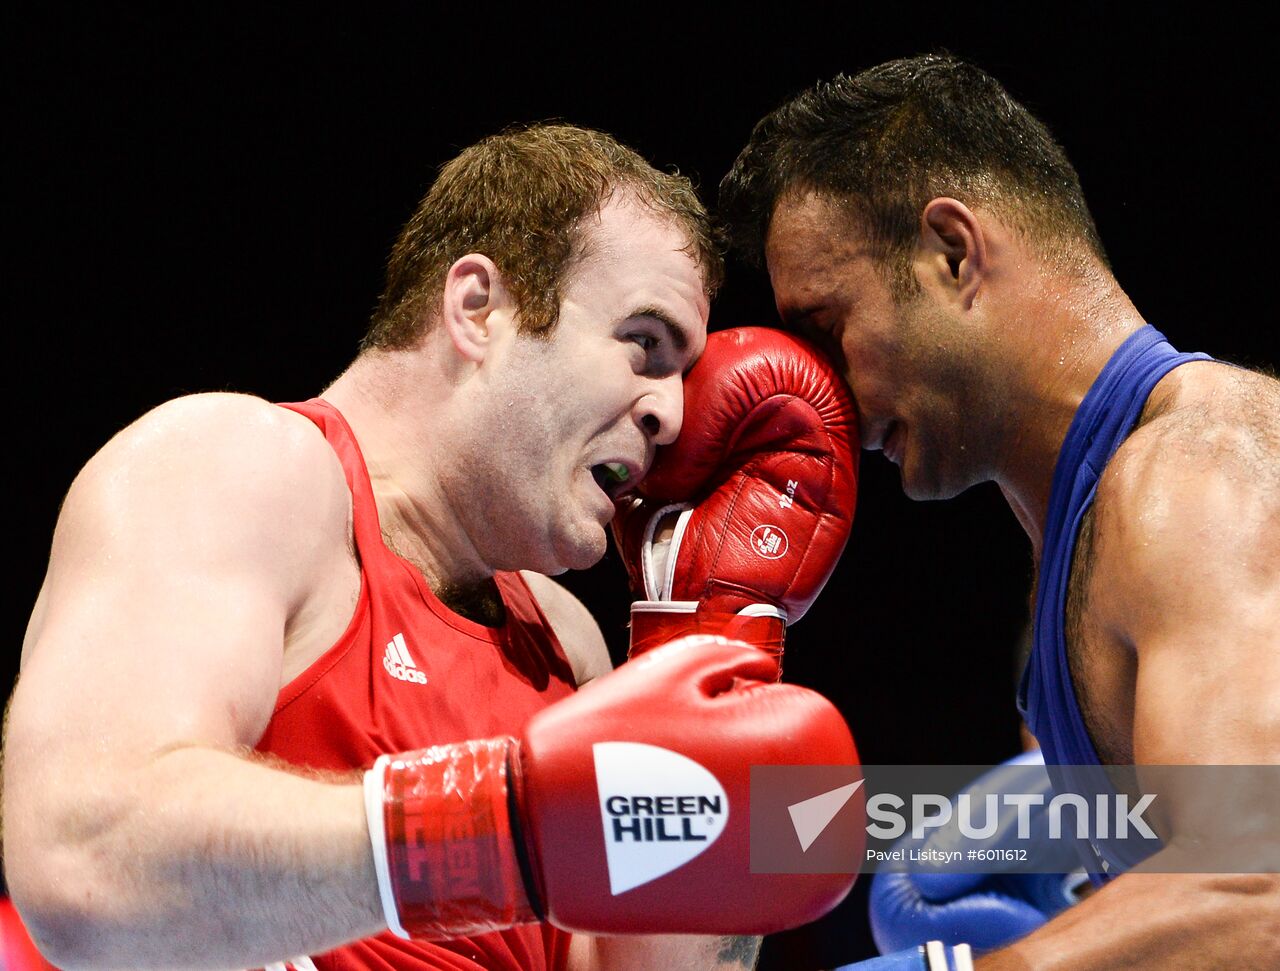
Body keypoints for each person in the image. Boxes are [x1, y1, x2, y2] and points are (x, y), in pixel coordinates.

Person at [1, 123, 864, 970]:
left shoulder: (568, 641)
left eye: (682, 373)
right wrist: (494, 826)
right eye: (643, 345)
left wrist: (713, 633)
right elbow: (85, 860)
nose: (670, 413)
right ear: (478, 308)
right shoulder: (237, 465)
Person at [719, 54, 1280, 969]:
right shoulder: (1083, 530)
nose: (823, 398)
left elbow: (1270, 904)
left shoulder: (1210, 479)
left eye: (826, 328)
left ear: (953, 254)